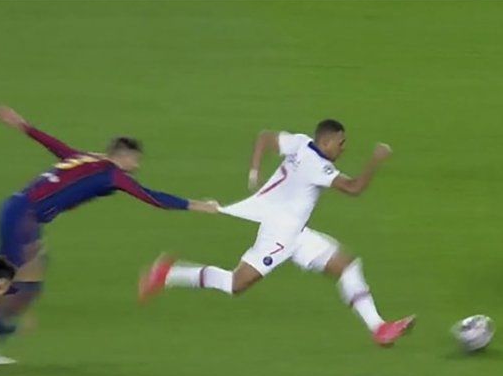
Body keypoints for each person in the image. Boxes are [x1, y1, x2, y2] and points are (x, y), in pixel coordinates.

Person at [0, 105, 219, 363]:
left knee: (24, 278)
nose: (137, 166)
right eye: (135, 160)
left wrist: (24, 125)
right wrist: (199, 205)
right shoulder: (111, 174)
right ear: (124, 156)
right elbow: (151, 197)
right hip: (23, 218)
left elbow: (54, 145)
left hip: (16, 210)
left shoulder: (85, 158)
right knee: (18, 285)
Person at [139, 119, 415, 346]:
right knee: (236, 284)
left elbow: (265, 137)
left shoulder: (300, 142)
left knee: (347, 266)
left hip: (298, 234)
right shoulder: (318, 167)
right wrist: (376, 160)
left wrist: (254, 171)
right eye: (341, 143)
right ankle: (167, 274)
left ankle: (379, 327)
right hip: (280, 236)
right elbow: (354, 188)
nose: (343, 148)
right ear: (326, 142)